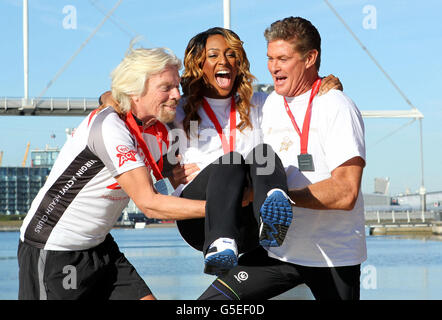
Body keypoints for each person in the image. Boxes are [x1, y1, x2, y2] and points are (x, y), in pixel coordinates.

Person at [17, 45, 208, 300]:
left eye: (178, 86)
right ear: (135, 91)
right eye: (166, 87)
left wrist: (168, 180)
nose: (177, 95)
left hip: (100, 246)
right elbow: (149, 205)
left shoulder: (157, 129)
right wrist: (220, 207)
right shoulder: (111, 127)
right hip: (53, 249)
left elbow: (148, 189)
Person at [198, 17, 366, 300]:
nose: (274, 67)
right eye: (270, 58)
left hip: (334, 257)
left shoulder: (337, 106)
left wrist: (281, 199)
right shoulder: (268, 102)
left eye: (283, 59)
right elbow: (208, 99)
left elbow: (346, 192)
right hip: (278, 252)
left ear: (310, 57)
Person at [172, 27, 342, 276]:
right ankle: (219, 243)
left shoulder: (261, 103)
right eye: (213, 55)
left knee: (263, 152)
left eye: (231, 54)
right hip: (200, 220)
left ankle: (271, 217)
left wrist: (325, 84)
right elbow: (135, 107)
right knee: (231, 161)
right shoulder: (177, 109)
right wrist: (108, 98)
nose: (224, 61)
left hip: (249, 224)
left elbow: (301, 96)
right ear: (198, 63)